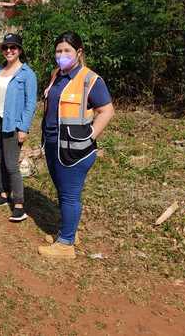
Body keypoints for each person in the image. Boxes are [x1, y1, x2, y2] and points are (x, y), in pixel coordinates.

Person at [39, 31, 114, 258]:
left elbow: (106, 111)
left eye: (67, 51)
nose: (62, 55)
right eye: (58, 51)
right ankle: (69, 231)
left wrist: (89, 136)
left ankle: (66, 245)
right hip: (54, 144)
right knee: (63, 191)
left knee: (70, 195)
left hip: (75, 149)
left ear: (78, 53)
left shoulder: (91, 80)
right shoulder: (57, 75)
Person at [0, 33, 37, 222]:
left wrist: (23, 128)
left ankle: (19, 205)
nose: (9, 51)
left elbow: (31, 103)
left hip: (13, 124)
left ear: (20, 50)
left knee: (12, 164)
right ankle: (4, 194)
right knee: (0, 161)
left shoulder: (27, 74)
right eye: (6, 47)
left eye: (13, 47)